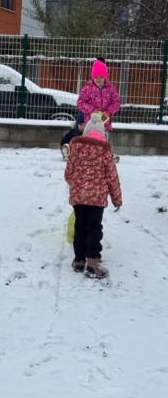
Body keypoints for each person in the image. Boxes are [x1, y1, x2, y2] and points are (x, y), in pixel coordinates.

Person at [64, 114, 122, 279]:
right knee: (94, 228)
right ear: (103, 134)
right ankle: (92, 262)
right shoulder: (105, 152)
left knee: (80, 226)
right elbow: (112, 178)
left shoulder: (75, 150)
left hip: (78, 197)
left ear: (85, 133)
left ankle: (79, 260)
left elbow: (68, 174)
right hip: (96, 199)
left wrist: (76, 185)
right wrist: (117, 199)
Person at [77, 59, 121, 135]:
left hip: (105, 124)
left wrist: (108, 112)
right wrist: (92, 110)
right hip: (91, 123)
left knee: (102, 140)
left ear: (105, 77)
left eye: (101, 77)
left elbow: (116, 102)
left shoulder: (111, 89)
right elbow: (80, 102)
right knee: (90, 140)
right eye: (96, 77)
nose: (98, 79)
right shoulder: (88, 88)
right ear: (93, 77)